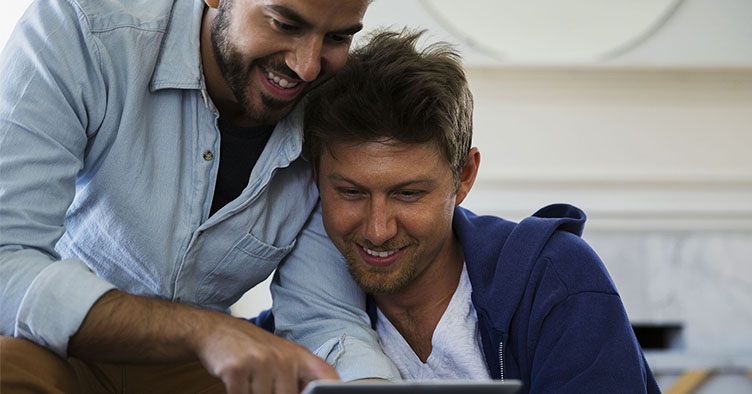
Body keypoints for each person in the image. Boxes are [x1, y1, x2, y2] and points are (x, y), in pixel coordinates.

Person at [0, 0, 401, 393]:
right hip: (52, 346)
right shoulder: (82, 29)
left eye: (336, 37)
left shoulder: (332, 111)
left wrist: (369, 386)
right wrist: (203, 331)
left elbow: (323, 319)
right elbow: (6, 260)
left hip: (192, 370)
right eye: (284, 24)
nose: (307, 66)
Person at [303, 28, 662, 393]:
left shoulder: (556, 280)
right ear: (315, 177)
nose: (378, 230)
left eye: (408, 194)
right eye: (351, 192)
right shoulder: (305, 313)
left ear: (464, 177)